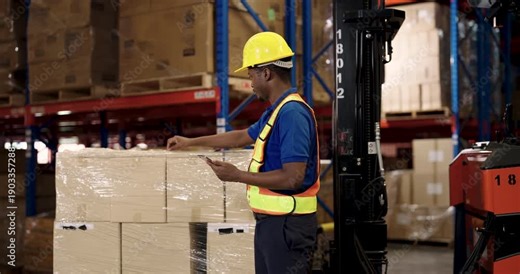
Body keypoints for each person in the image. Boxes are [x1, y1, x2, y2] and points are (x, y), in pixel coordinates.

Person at [167, 31, 320, 274]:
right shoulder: (276, 112)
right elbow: (240, 136)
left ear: (266, 73)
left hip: (287, 227)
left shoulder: (292, 114)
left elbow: (293, 177)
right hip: (272, 225)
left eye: (251, 76)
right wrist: (190, 141)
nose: (250, 84)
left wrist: (237, 175)